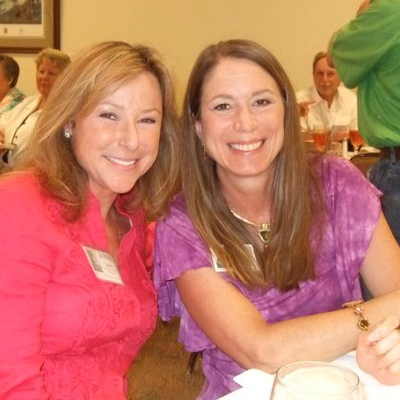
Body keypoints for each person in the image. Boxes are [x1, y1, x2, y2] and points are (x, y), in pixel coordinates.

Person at [153, 39, 400, 400]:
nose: (245, 123)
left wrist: (387, 346)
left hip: (344, 385)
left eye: (262, 102)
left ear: (286, 111)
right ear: (198, 127)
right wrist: (368, 320)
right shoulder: (182, 226)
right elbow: (262, 351)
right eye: (223, 106)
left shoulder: (337, 184)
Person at [0, 41, 179, 399]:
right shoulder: (20, 205)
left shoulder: (129, 218)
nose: (131, 140)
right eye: (109, 115)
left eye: (147, 120)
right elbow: (11, 377)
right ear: (70, 120)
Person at [328, 0, 400, 244]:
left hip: (396, 169)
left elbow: (334, 55)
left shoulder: (387, 9)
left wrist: (361, 18)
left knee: (386, 265)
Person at [0, 47, 70, 169]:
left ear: (65, 78)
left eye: (51, 73)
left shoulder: (66, 110)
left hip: (41, 173)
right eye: (41, 72)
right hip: (10, 172)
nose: (44, 77)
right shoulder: (27, 103)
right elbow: (3, 124)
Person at [296, 51, 357, 141]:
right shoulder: (300, 100)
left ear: (340, 77)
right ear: (313, 76)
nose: (325, 79)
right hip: (310, 151)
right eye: (320, 74)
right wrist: (331, 140)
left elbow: (359, 134)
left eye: (330, 74)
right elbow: (296, 137)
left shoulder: (350, 99)